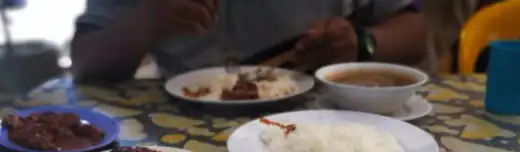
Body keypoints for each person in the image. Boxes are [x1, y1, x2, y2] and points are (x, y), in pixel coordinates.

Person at [70, 0, 427, 82]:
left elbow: (417, 32)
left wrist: (362, 44)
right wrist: (139, 25)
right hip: (183, 134)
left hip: (330, 120)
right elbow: (85, 66)